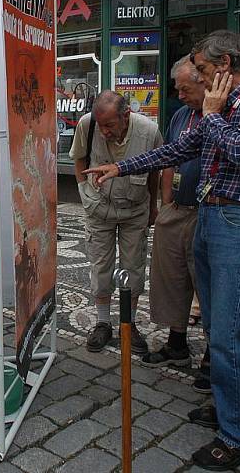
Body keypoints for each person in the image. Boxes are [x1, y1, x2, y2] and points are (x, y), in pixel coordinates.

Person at [84, 30, 240, 470]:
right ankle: (226, 408)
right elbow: (179, 150)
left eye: (200, 68)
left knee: (229, 331)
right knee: (216, 323)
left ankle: (238, 436)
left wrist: (213, 112)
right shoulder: (215, 109)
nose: (195, 76)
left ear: (226, 64)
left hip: (239, 218)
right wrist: (121, 166)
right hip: (209, 214)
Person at [70, 90, 161, 355]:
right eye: (101, 125)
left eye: (110, 125)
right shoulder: (87, 125)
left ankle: (128, 324)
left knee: (134, 266)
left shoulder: (149, 131)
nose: (105, 131)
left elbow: (156, 169)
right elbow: (78, 159)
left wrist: (153, 205)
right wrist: (84, 195)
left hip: (135, 209)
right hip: (99, 209)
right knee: (100, 265)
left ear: (126, 115)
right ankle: (102, 322)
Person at [141, 57, 205, 369]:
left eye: (185, 88)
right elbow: (168, 157)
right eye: (177, 88)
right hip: (176, 210)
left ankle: (212, 358)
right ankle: (176, 343)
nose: (179, 94)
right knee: (171, 281)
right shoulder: (181, 115)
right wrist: (166, 203)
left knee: (207, 286)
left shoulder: (220, 115)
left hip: (207, 214)